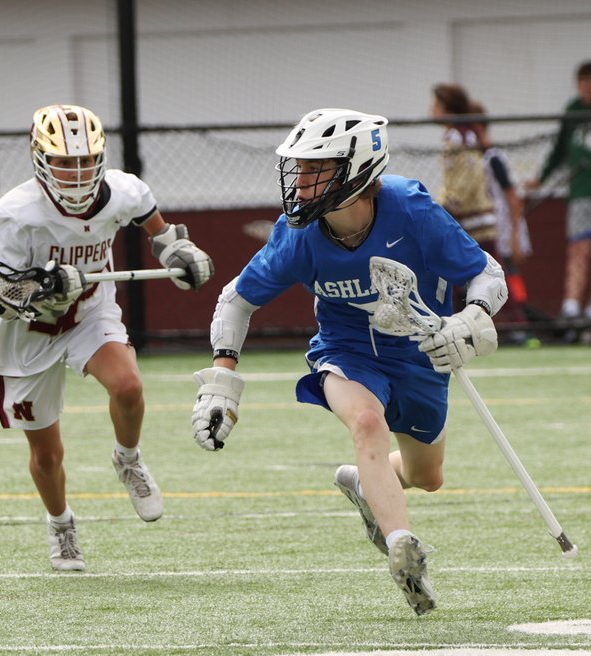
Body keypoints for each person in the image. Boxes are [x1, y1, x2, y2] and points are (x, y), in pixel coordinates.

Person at [190, 108, 507, 616]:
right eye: (300, 167)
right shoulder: (298, 233)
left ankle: (364, 483)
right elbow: (236, 300)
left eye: (316, 168)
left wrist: (469, 320)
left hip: (420, 350)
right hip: (347, 349)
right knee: (365, 421)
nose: (301, 180)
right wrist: (221, 380)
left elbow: (488, 275)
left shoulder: (412, 209)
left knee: (428, 476)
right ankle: (403, 547)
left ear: (357, 170)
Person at [0, 104, 214, 571]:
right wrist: (45, 284)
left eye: (85, 161)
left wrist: (180, 251)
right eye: (64, 161)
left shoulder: (123, 191)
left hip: (88, 312)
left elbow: (157, 229)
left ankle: (128, 458)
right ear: (41, 159)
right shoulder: (17, 216)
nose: (77, 172)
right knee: (47, 452)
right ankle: (61, 523)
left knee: (128, 386)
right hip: (27, 333)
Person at [524, 60, 591, 329]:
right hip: (579, 192)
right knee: (578, 247)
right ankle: (571, 305)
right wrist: (541, 178)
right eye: (583, 83)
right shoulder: (573, 111)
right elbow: (559, 151)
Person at [470, 102, 533, 342]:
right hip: (488, 227)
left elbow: (513, 197)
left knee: (509, 274)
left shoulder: (492, 158)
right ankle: (508, 323)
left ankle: (522, 324)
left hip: (503, 227)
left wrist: (516, 234)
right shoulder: (475, 158)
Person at [431, 83, 497, 252]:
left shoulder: (459, 137)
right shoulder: (456, 136)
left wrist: (447, 204)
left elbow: (469, 175)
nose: (431, 109)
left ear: (448, 109)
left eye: (437, 105)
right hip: (468, 222)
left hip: (476, 223)